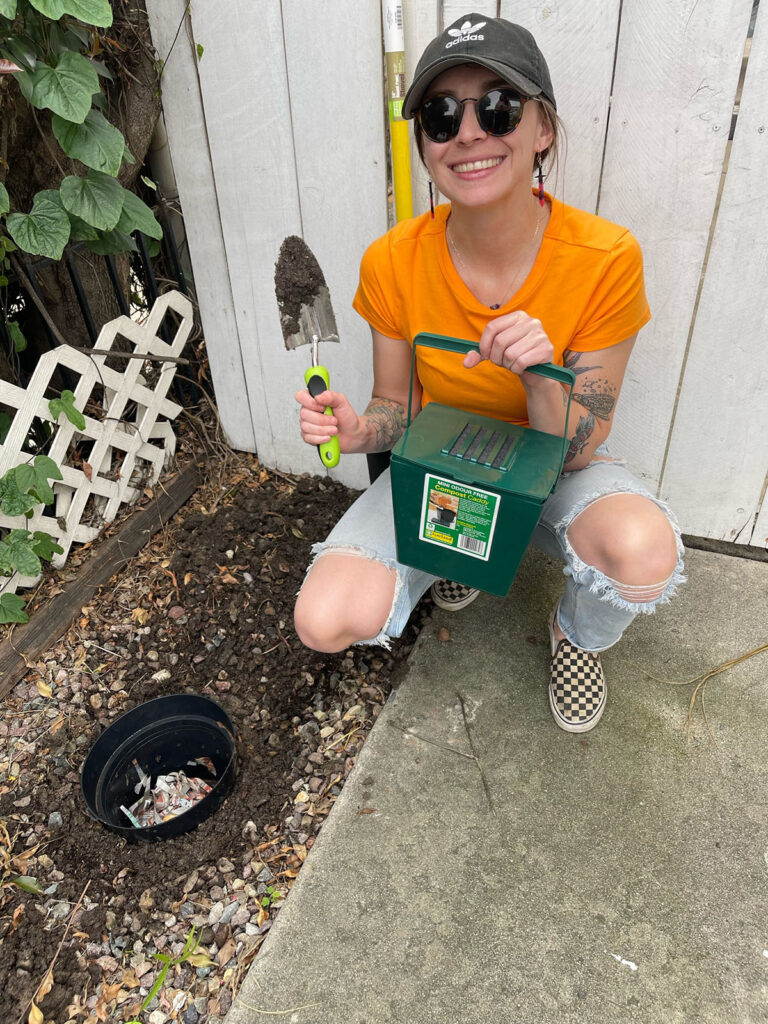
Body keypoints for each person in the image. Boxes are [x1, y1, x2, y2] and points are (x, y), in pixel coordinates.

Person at [293, 14, 685, 733]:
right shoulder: (392, 261)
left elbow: (580, 446)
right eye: (441, 116)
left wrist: (542, 375)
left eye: (498, 106)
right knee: (324, 618)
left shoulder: (604, 258)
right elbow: (396, 407)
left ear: (542, 130)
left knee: (642, 554)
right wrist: (356, 431)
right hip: (447, 461)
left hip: (551, 461)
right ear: (426, 146)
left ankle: (576, 634)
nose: (468, 132)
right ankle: (457, 551)